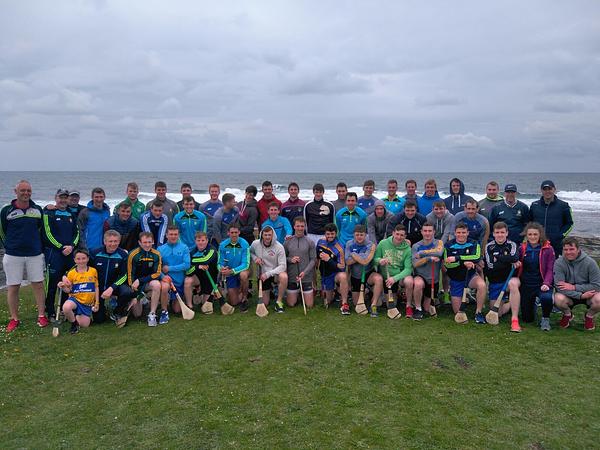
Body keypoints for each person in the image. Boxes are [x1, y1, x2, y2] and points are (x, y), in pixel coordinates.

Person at [1, 180, 48, 332]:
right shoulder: (6, 210)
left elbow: (41, 229)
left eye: (28, 190)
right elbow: (2, 231)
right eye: (23, 190)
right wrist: (9, 246)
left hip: (34, 253)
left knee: (38, 284)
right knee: (13, 286)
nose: (26, 193)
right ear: (16, 192)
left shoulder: (37, 210)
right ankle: (14, 318)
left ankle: (41, 315)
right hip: (13, 254)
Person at [43, 189, 79, 320]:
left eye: (65, 198)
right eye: (61, 197)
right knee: (52, 284)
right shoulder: (48, 213)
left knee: (68, 282)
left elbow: (76, 233)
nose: (63, 200)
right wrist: (60, 247)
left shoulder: (71, 214)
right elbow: (47, 234)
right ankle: (50, 310)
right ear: (56, 198)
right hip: (54, 254)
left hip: (69, 253)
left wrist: (72, 246)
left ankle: (64, 308)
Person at [553, 237, 600, 331]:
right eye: (565, 249)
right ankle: (567, 314)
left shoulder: (590, 263)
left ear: (578, 250)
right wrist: (580, 296)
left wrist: (574, 287)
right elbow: (560, 287)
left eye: (571, 249)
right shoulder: (559, 263)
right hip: (569, 296)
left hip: (589, 295)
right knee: (557, 298)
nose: (568, 252)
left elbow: (597, 286)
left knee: (599, 299)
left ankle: (589, 316)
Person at [444, 222, 487, 323]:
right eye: (458, 232)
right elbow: (448, 264)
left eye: (463, 232)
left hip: (470, 276)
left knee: (482, 285)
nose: (461, 235)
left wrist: (457, 258)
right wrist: (464, 262)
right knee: (457, 311)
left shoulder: (474, 243)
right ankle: (468, 297)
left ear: (467, 233)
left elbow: (476, 257)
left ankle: (478, 312)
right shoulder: (448, 245)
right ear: (455, 233)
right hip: (456, 279)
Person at [483, 222, 522, 332]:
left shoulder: (512, 245)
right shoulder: (489, 246)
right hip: (495, 282)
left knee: (513, 284)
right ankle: (511, 303)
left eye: (502, 232)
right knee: (497, 313)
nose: (500, 235)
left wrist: (498, 258)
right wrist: (508, 261)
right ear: (493, 234)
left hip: (509, 280)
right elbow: (491, 266)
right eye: (497, 232)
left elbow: (515, 258)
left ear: (507, 233)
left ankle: (514, 320)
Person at [517, 222, 555, 331]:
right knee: (527, 319)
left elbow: (550, 269)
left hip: (541, 284)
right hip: (526, 284)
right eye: (530, 234)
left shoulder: (548, 249)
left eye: (535, 234)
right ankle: (533, 303)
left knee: (546, 298)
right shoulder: (522, 248)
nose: (532, 237)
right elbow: (516, 263)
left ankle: (545, 318)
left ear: (540, 235)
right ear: (526, 235)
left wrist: (546, 283)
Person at [90, 230, 133, 324]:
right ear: (104, 241)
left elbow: (124, 275)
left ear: (119, 241)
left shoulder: (123, 255)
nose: (113, 244)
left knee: (127, 292)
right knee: (99, 320)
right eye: (110, 241)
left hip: (115, 286)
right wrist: (65, 276)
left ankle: (117, 311)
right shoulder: (94, 253)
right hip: (98, 288)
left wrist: (112, 287)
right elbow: (83, 267)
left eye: (115, 241)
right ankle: (102, 309)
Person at [374, 224, 414, 318]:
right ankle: (398, 293)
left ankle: (408, 305)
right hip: (385, 278)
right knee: (388, 304)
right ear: (393, 233)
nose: (399, 237)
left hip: (397, 278)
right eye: (397, 234)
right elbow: (375, 258)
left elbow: (408, 269)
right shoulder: (383, 243)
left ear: (405, 236)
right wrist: (380, 260)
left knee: (409, 280)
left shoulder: (408, 249)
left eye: (402, 235)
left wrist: (395, 278)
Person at [57, 248, 99, 334]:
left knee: (84, 325)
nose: (81, 261)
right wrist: (63, 286)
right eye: (78, 259)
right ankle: (73, 324)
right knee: (66, 307)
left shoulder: (93, 271)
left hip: (87, 304)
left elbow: (96, 288)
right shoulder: (71, 273)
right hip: (75, 300)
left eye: (83, 258)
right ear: (74, 260)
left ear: (88, 258)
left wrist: (97, 303)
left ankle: (74, 315)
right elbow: (68, 290)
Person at [529, 180, 574, 259]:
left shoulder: (563, 206)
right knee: (537, 264)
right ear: (541, 190)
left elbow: (570, 223)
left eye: (549, 189)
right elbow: (529, 223)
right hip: (538, 242)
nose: (547, 191)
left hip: (556, 244)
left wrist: (561, 235)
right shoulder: (534, 205)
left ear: (554, 189)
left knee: (555, 265)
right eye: (545, 189)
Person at [345, 225, 383, 317]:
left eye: (361, 235)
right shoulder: (349, 244)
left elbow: (366, 261)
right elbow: (347, 262)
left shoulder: (371, 244)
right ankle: (367, 292)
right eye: (357, 235)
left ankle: (373, 305)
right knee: (355, 303)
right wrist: (361, 256)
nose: (359, 237)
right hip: (356, 276)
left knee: (378, 279)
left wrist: (354, 255)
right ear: (354, 235)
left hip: (368, 273)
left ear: (365, 235)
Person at [127, 231, 162, 327]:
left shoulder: (156, 254)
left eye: (149, 242)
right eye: (144, 242)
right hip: (134, 285)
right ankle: (141, 298)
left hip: (147, 282)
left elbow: (157, 273)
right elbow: (129, 275)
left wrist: (140, 280)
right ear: (139, 242)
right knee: (137, 314)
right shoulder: (133, 254)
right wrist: (135, 294)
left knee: (157, 284)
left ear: (153, 242)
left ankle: (152, 314)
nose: (147, 245)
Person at [251, 225, 288, 312]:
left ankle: (279, 301)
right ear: (261, 235)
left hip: (275, 273)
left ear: (273, 235)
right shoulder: (255, 244)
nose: (267, 237)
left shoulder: (279, 247)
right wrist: (255, 258)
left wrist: (268, 274)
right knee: (265, 303)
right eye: (265, 235)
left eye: (269, 235)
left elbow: (283, 266)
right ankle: (272, 291)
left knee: (284, 276)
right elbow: (250, 252)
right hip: (263, 274)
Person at [411, 222, 444, 320]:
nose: (427, 233)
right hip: (420, 276)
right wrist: (428, 258)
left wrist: (421, 253)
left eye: (430, 231)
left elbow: (439, 252)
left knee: (427, 308)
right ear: (421, 232)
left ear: (434, 232)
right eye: (425, 231)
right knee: (418, 284)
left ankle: (422, 302)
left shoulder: (439, 243)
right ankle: (417, 308)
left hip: (433, 279)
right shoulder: (416, 246)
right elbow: (415, 264)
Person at [158, 226, 191, 322]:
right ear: (166, 235)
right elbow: (157, 268)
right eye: (171, 234)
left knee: (177, 310)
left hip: (179, 282)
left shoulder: (184, 247)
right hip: (167, 280)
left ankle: (174, 301)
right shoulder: (160, 249)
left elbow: (187, 265)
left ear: (178, 235)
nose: (173, 236)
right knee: (164, 287)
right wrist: (163, 276)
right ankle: (164, 311)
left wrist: (169, 268)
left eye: (175, 234)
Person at [316, 223, 349, 314]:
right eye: (328, 234)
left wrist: (329, 260)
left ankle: (344, 303)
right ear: (325, 234)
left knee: (343, 276)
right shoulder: (320, 242)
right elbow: (317, 257)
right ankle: (335, 292)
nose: (330, 236)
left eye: (332, 234)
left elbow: (342, 266)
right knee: (328, 301)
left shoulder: (340, 247)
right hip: (325, 275)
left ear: (336, 233)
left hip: (335, 274)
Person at [284, 217, 316, 309]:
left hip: (306, 277)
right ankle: (297, 294)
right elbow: (282, 258)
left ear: (305, 227)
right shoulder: (287, 241)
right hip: (292, 276)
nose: (300, 228)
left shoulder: (310, 241)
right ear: (294, 226)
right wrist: (291, 260)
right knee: (291, 304)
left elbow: (313, 259)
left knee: (309, 305)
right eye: (298, 226)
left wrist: (305, 272)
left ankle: (304, 293)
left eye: (302, 226)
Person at [218, 223, 251, 311]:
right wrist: (222, 269)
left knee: (243, 275)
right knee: (233, 302)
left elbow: (246, 264)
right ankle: (239, 289)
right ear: (228, 233)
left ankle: (245, 298)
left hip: (242, 270)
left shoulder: (244, 244)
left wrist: (233, 271)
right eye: (232, 232)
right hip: (230, 273)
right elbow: (219, 263)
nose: (234, 235)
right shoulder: (222, 245)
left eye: (236, 232)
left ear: (239, 232)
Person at [184, 231, 219, 309]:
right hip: (198, 279)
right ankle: (189, 305)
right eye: (198, 240)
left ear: (207, 240)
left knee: (205, 306)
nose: (201, 243)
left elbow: (205, 260)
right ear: (195, 241)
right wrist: (198, 267)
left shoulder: (212, 250)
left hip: (210, 280)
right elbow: (188, 271)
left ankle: (203, 293)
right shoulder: (193, 252)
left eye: (203, 240)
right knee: (187, 280)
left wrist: (191, 261)